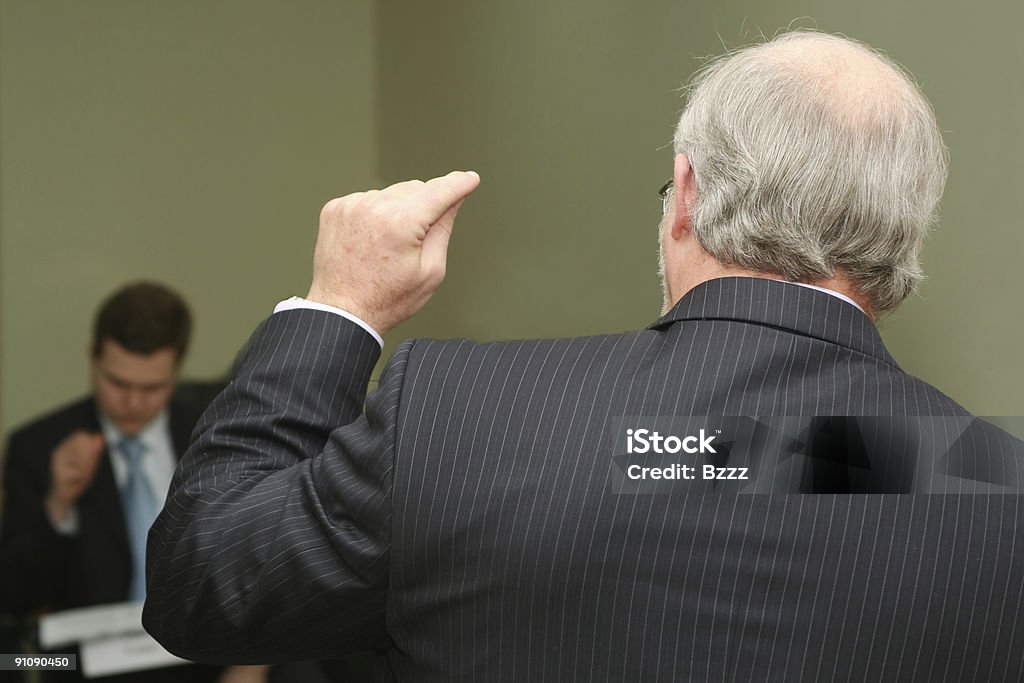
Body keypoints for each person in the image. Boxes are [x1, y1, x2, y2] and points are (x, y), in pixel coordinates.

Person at [144, 31, 1024, 681]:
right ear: (901, 234)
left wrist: (339, 307)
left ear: (687, 193)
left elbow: (203, 585)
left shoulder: (464, 415)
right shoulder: (993, 484)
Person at [0, 282, 266, 683]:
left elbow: (262, 549)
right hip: (88, 663)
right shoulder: (38, 447)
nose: (134, 402)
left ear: (176, 368)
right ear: (93, 356)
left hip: (208, 654)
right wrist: (58, 505)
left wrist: (252, 663)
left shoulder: (217, 427)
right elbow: (16, 598)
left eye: (152, 387)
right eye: (118, 383)